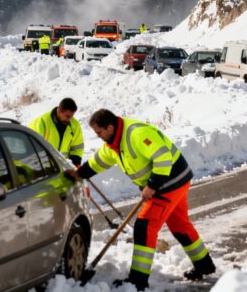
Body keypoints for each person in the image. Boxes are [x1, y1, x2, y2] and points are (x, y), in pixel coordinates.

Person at [65, 109, 215, 291]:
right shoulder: (113, 143)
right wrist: (79, 173)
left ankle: (137, 281)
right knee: (179, 225)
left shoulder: (136, 134)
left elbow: (163, 158)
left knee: (144, 226)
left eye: (99, 132)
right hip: (174, 181)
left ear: (110, 127)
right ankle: (204, 265)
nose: (98, 136)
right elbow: (99, 161)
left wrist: (152, 185)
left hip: (168, 182)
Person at [28, 98, 84, 166]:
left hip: (63, 168)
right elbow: (33, 149)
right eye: (68, 116)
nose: (70, 119)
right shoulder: (41, 123)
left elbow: (77, 147)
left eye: (72, 116)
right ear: (60, 111)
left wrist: (75, 164)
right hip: (42, 168)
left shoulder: (74, 125)